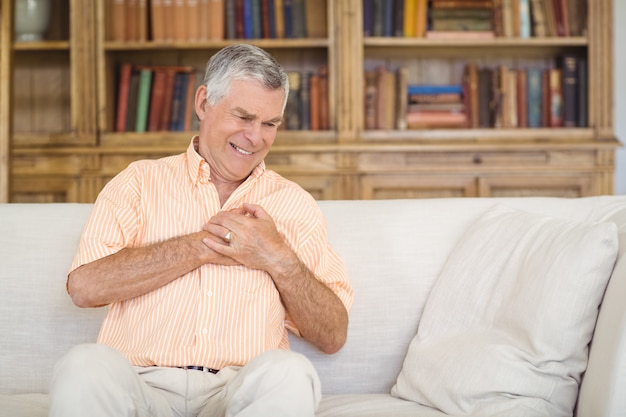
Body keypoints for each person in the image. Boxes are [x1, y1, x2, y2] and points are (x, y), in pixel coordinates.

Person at [49, 43, 353, 417]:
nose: (255, 137)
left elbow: (333, 335)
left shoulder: (294, 203)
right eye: (243, 117)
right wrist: (204, 245)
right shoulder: (138, 182)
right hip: (140, 385)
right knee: (83, 364)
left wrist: (277, 257)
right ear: (203, 103)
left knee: (290, 372)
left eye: (270, 123)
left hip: (238, 390)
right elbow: (85, 288)